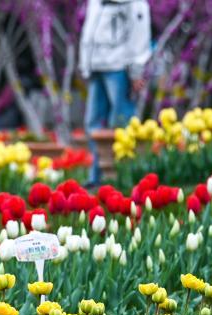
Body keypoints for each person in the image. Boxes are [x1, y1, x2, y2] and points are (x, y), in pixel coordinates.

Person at [79, 0, 151, 185]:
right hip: (97, 66)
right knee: (93, 124)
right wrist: (85, 65)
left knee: (121, 124)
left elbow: (139, 36)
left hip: (119, 68)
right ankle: (98, 177)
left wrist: (136, 71)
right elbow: (89, 32)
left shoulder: (134, 4)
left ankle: (124, 177)